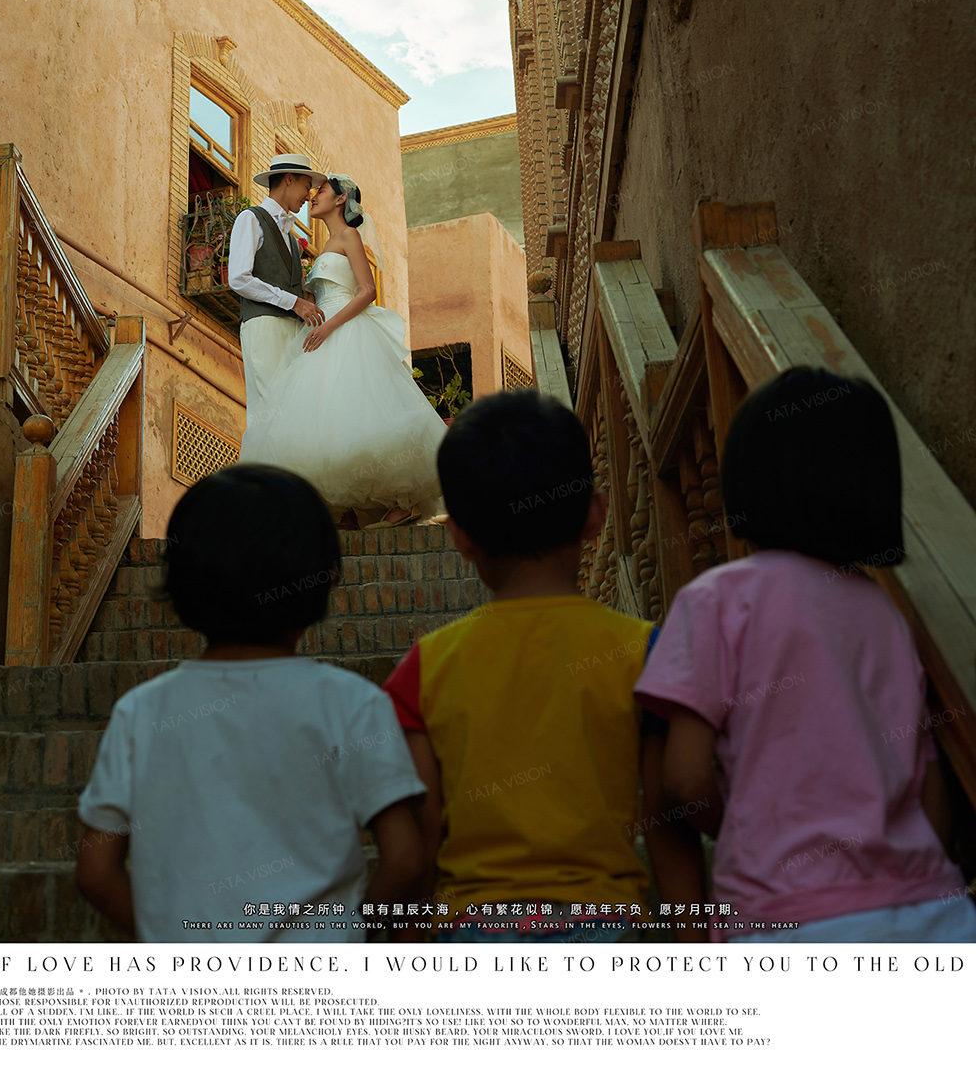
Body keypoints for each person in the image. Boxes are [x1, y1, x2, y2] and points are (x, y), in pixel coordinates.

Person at [635, 366, 976, 944]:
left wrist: (747, 825)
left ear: (746, 481)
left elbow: (685, 778)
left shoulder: (716, 599)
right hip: (931, 914)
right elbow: (933, 802)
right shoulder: (887, 617)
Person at [382, 389, 701, 942]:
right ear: (595, 515)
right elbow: (669, 826)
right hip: (605, 928)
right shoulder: (643, 650)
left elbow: (422, 841)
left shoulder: (423, 669)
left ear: (459, 537)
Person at [75, 465, 426, 942]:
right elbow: (406, 861)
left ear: (182, 584)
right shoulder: (352, 703)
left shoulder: (140, 712)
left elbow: (96, 871)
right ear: (324, 580)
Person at [239, 173, 446, 528]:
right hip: (319, 332)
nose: (312, 196)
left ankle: (404, 502)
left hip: (343, 329)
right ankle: (345, 511)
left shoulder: (349, 236)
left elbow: (368, 291)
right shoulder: (324, 246)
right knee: (330, 420)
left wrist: (329, 327)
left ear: (340, 199)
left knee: (364, 412)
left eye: (321, 191)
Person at [227, 152, 327, 410]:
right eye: (307, 186)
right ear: (289, 179)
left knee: (294, 410)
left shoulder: (293, 241)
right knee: (272, 408)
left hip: (294, 332)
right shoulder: (250, 218)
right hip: (264, 327)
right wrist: (294, 302)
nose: (309, 196)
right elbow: (238, 278)